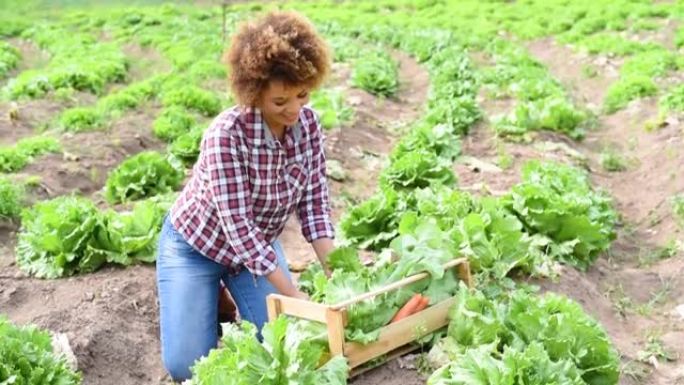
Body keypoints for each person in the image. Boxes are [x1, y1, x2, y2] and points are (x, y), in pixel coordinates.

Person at [155, 10, 336, 382]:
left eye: (302, 95)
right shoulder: (226, 135)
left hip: (257, 252)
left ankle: (228, 288)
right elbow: (238, 227)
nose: (294, 110)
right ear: (255, 93)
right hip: (196, 248)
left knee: (285, 346)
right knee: (187, 367)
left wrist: (338, 269)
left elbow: (315, 203)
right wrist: (294, 296)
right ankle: (211, 291)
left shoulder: (309, 125)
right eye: (280, 101)